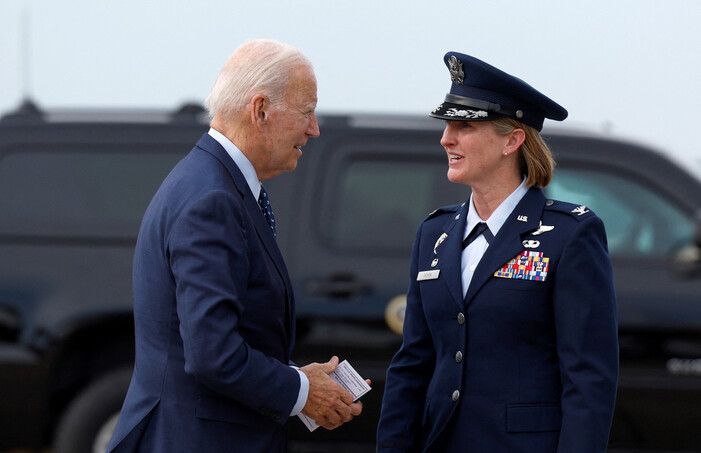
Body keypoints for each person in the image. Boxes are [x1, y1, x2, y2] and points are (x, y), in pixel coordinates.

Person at [107, 39, 364, 453]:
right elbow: (213, 354)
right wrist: (302, 391)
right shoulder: (213, 199)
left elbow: (233, 335)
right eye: (307, 111)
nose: (314, 128)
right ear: (260, 110)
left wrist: (300, 381)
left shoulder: (216, 184)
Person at [376, 52, 618, 452]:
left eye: (465, 125)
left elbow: (588, 380)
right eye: (447, 125)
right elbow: (412, 365)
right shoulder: (433, 233)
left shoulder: (570, 234)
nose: (446, 138)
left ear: (513, 139)